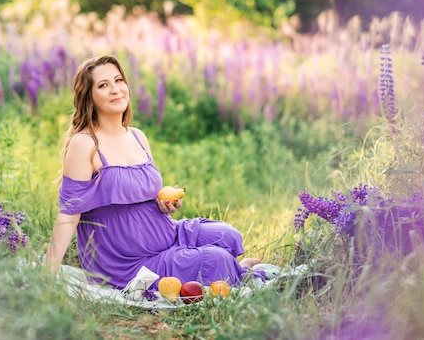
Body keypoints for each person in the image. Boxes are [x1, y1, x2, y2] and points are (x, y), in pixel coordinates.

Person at [44, 55, 263, 290]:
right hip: (127, 262)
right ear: (89, 96)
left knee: (228, 236)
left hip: (167, 234)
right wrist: (46, 275)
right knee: (217, 260)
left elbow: (145, 194)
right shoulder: (85, 144)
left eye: (119, 80)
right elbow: (68, 216)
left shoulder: (138, 136)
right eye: (103, 85)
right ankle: (236, 270)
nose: (116, 90)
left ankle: (229, 268)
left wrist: (163, 205)